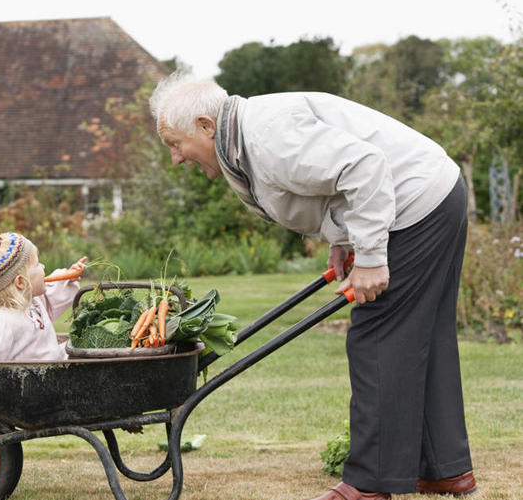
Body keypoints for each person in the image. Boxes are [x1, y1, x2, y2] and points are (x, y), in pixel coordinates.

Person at [149, 72, 476, 499]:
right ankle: (445, 470)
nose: (176, 158)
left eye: (176, 144)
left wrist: (373, 257)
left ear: (206, 127)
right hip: (431, 194)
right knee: (421, 337)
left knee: (378, 336)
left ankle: (369, 484)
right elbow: (333, 186)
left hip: (415, 204)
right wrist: (344, 240)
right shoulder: (242, 139)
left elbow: (364, 166)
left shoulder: (267, 136)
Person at [0, 231, 86, 363]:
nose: (43, 266)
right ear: (21, 282)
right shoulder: (2, 322)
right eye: (38, 264)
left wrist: (67, 277)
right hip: (31, 380)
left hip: (51, 368)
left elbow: (50, 301)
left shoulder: (33, 303)